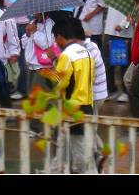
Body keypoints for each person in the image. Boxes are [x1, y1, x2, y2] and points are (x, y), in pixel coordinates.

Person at [50, 18, 97, 174]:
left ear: (59, 36)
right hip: (87, 105)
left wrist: (52, 65)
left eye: (55, 39)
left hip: (73, 108)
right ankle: (54, 171)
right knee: (63, 145)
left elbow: (59, 84)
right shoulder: (86, 52)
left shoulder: (66, 56)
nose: (55, 43)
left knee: (80, 152)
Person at [102, 0, 134, 102]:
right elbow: (104, 4)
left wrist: (123, 24)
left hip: (122, 33)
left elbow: (132, 11)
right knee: (108, 62)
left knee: (121, 63)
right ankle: (112, 89)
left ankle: (125, 92)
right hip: (110, 31)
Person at [22, 12, 57, 93]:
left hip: (42, 65)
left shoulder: (49, 23)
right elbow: (24, 45)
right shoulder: (33, 22)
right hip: (31, 64)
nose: (33, 12)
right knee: (31, 93)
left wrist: (35, 32)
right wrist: (27, 34)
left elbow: (46, 44)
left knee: (41, 94)